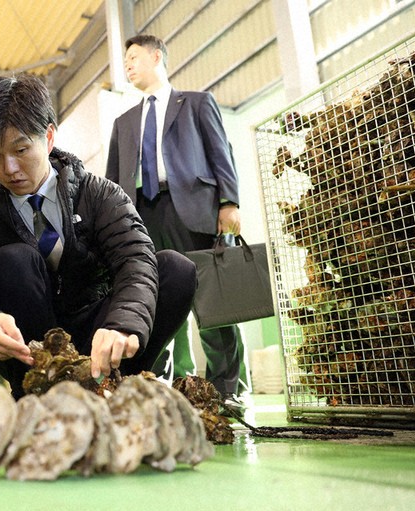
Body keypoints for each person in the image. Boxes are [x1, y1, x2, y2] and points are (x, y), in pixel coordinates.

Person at [0, 74, 197, 398]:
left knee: (175, 269)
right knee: (13, 260)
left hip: (98, 335)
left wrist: (121, 323)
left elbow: (135, 259)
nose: (8, 168)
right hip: (30, 352)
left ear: (48, 137)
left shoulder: (100, 194)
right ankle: (37, 395)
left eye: (20, 149)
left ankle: (116, 385)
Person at [105, 34, 245, 405]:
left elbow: (221, 154)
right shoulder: (123, 123)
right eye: (126, 60)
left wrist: (229, 202)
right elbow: (113, 179)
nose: (128, 65)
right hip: (141, 217)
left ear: (156, 57)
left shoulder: (197, 104)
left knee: (213, 304)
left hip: (194, 212)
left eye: (133, 57)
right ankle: (164, 387)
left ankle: (227, 390)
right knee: (157, 303)